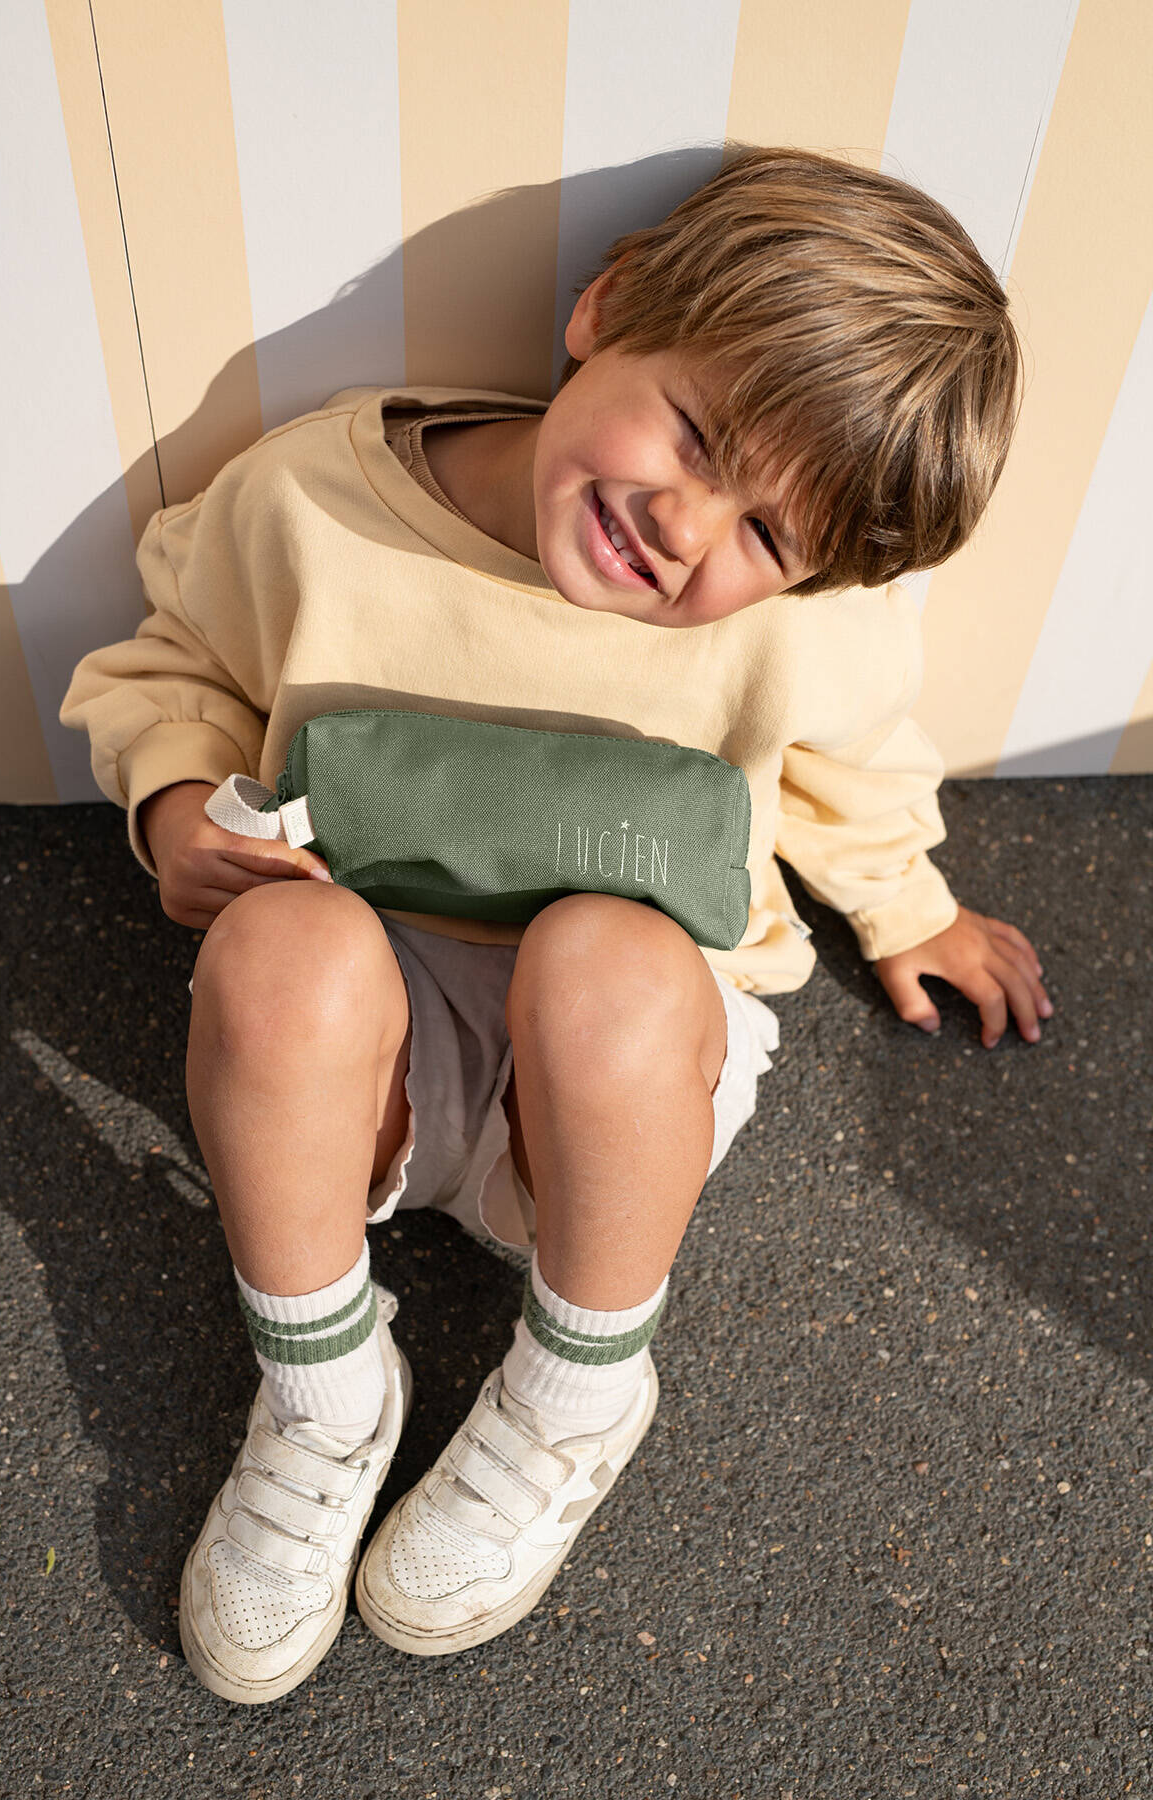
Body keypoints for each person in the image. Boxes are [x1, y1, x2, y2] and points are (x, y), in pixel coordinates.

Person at [60, 146, 1052, 1702]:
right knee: (274, 955)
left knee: (610, 955)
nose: (681, 522)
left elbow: (856, 779)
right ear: (602, 311)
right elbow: (170, 666)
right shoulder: (316, 505)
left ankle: (575, 1395)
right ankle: (324, 1397)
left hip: (609, 1109)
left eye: (766, 537)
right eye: (699, 433)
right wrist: (179, 804)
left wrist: (911, 912)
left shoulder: (808, 638)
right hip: (355, 1072)